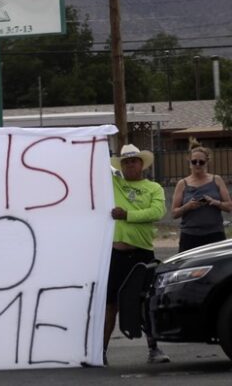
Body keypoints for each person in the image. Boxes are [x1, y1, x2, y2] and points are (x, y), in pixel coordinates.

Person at [104, 144, 170, 365]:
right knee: (110, 304)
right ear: (121, 165)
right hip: (116, 254)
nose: (130, 165)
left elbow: (157, 212)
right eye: (125, 162)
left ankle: (154, 348)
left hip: (143, 253)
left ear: (141, 164)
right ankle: (100, 352)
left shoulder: (154, 188)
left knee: (145, 301)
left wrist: (127, 214)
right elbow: (93, 168)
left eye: (133, 161)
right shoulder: (113, 183)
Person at [171, 138, 231, 253]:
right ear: (189, 162)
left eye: (201, 162)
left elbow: (229, 206)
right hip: (190, 236)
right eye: (194, 162)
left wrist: (215, 202)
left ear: (207, 162)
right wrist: (188, 206)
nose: (197, 164)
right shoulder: (182, 184)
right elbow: (174, 213)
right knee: (188, 269)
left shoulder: (216, 180)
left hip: (214, 234)